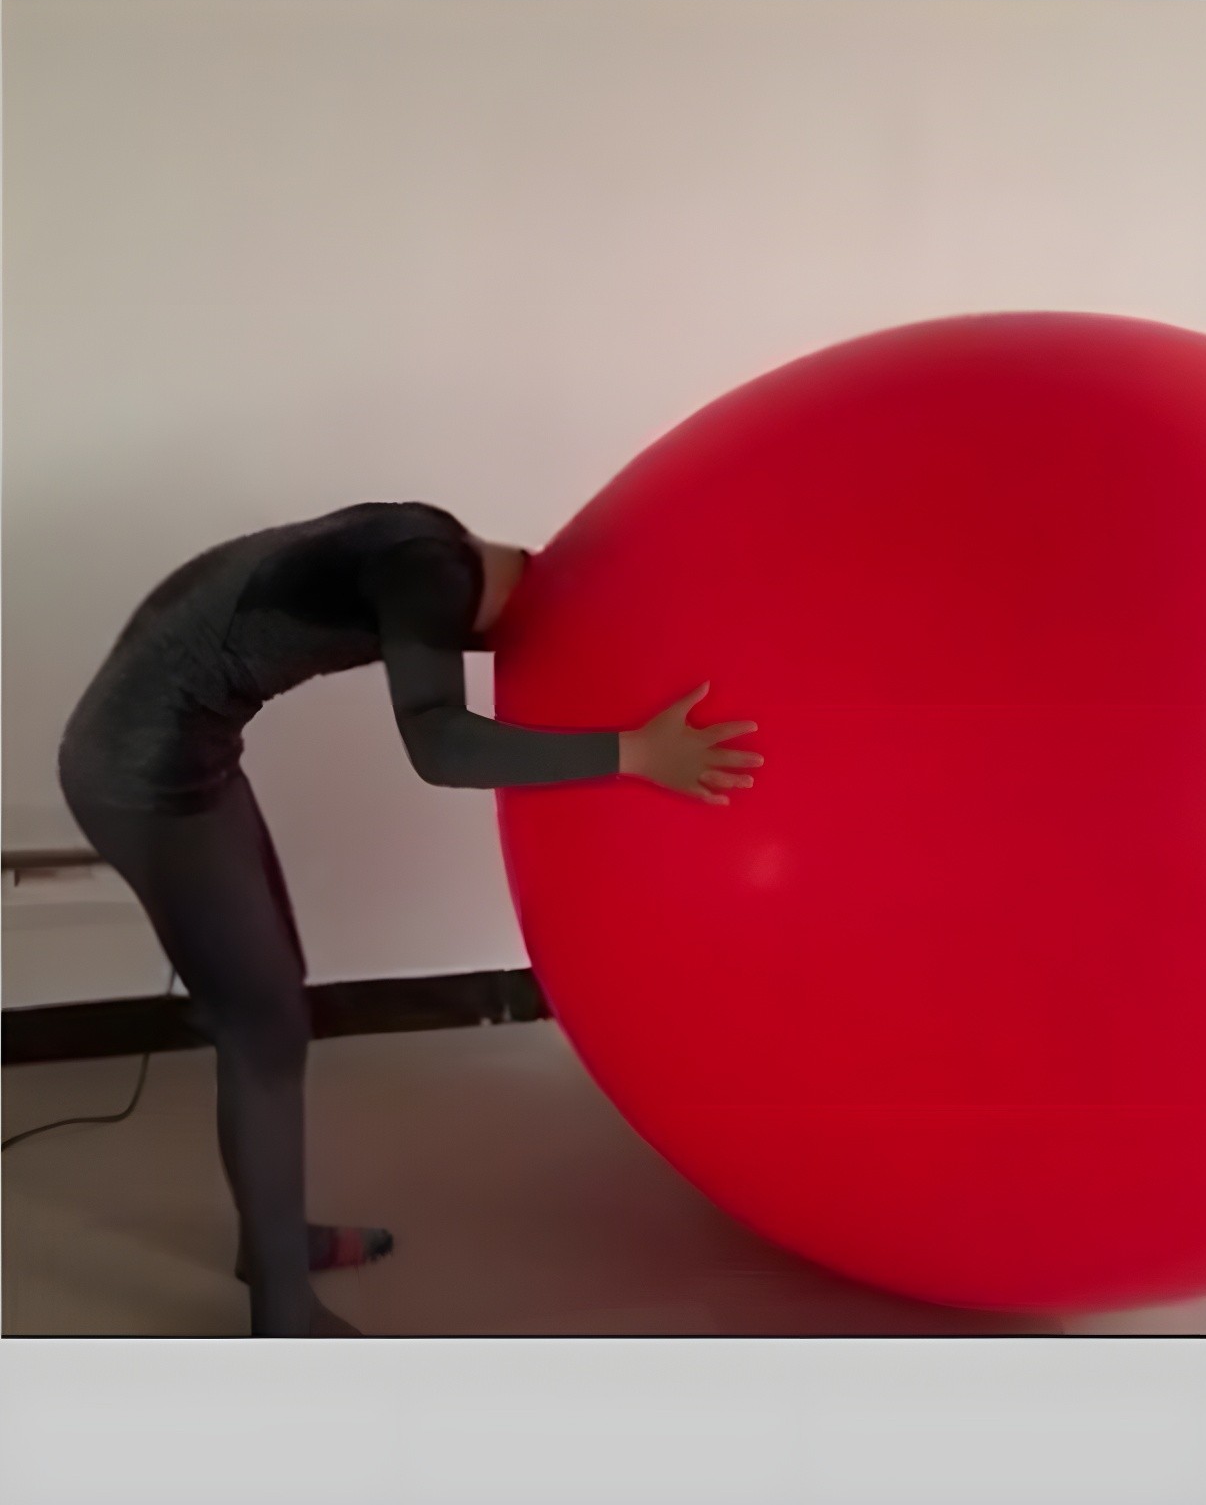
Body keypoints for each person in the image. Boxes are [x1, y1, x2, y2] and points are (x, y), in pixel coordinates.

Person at [55, 500, 762, 1335]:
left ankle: (269, 1243)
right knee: (263, 1028)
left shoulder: (431, 539)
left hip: (189, 754)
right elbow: (441, 747)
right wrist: (637, 753)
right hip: (139, 776)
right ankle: (282, 1314)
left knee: (275, 1001)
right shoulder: (431, 575)